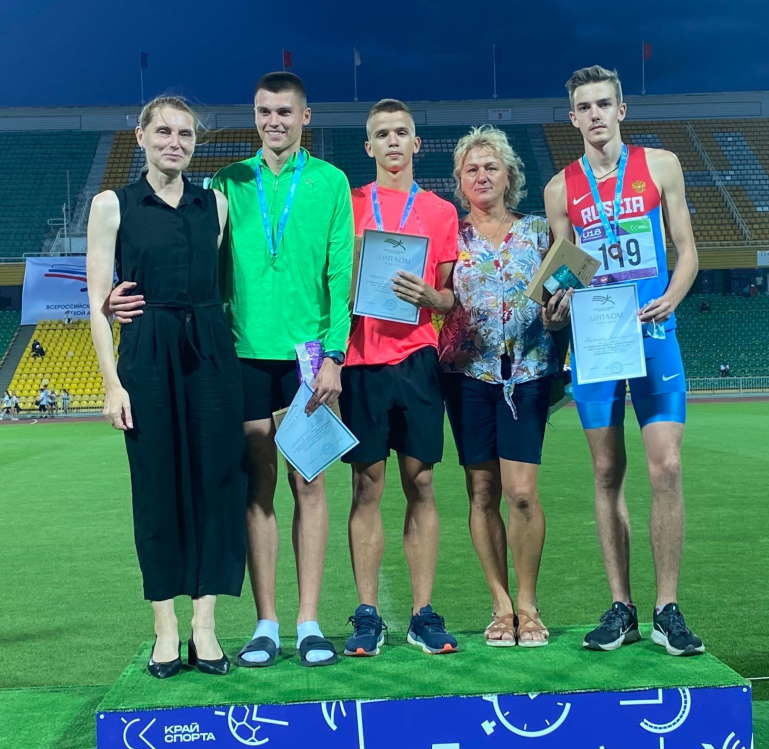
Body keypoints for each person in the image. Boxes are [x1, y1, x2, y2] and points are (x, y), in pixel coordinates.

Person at [110, 73, 354, 668]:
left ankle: (309, 621)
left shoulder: (330, 181)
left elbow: (339, 271)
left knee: (310, 485)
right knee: (254, 488)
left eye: (285, 112)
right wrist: (118, 298)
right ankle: (266, 623)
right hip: (238, 353)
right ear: (254, 116)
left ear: (305, 117)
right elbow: (196, 270)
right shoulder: (226, 183)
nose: (274, 121)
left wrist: (335, 355)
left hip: (306, 358)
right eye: (265, 112)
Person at [544, 65, 704, 656]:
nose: (595, 115)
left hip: (655, 332)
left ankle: (667, 608)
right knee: (607, 472)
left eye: (603, 104)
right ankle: (622, 608)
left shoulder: (661, 166)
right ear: (573, 118)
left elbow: (687, 250)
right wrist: (557, 305)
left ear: (621, 110)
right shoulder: (560, 189)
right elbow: (564, 274)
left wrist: (673, 296)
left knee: (667, 468)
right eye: (584, 107)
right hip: (598, 343)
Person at [87, 95, 247, 678]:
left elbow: (222, 287)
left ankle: (205, 626)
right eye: (164, 132)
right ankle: (165, 628)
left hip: (210, 351)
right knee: (156, 487)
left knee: (216, 484)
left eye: (185, 134)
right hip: (148, 353)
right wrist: (112, 384)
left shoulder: (216, 205)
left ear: (195, 143)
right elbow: (98, 304)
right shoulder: (113, 204)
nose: (174, 142)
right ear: (141, 136)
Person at [439, 126, 569, 647]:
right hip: (467, 378)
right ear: (459, 181)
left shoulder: (539, 232)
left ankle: (529, 603)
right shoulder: (450, 238)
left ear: (510, 175)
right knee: (481, 491)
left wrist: (558, 316)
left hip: (528, 374)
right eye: (471, 169)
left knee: (521, 493)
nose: (482, 176)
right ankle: (500, 604)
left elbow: (563, 298)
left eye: (491, 167)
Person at [341, 99, 459, 657]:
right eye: (382, 133)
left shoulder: (440, 212)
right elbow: (331, 282)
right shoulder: (348, 204)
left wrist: (432, 296)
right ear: (369, 146)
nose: (393, 141)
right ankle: (367, 613)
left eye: (402, 132)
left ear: (416, 144)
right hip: (360, 360)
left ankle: (422, 612)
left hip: (416, 359)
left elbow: (450, 296)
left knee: (423, 482)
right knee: (367, 485)